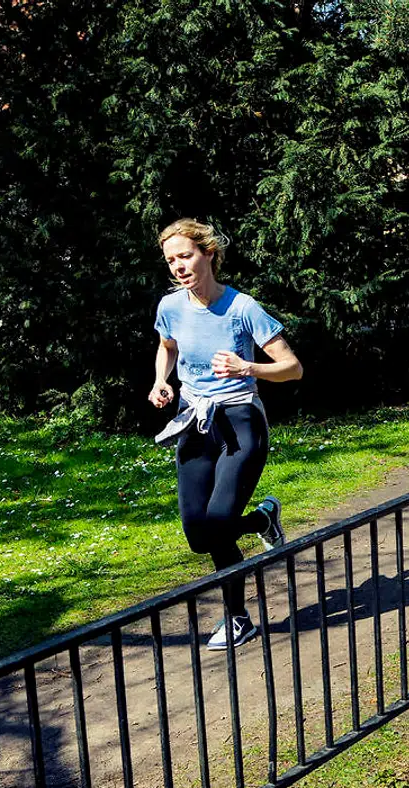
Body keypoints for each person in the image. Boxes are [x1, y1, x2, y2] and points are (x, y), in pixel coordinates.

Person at [149, 218, 303, 649]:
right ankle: (261, 518)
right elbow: (167, 347)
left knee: (218, 523)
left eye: (185, 256)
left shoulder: (242, 308)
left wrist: (247, 367)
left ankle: (238, 619)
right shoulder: (171, 307)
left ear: (208, 253)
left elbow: (293, 368)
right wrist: (162, 381)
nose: (179, 267)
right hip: (194, 422)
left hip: (240, 423)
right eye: (171, 261)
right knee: (199, 535)